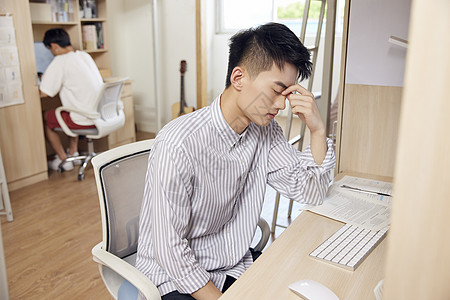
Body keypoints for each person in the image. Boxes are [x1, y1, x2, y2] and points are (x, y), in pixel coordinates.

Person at [136, 22, 336, 300]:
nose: (281, 105)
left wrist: (317, 129)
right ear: (238, 78)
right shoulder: (178, 143)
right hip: (174, 277)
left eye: (288, 94)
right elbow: (170, 249)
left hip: (232, 265)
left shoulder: (264, 132)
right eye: (277, 90)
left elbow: (309, 191)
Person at [39, 28, 103, 171]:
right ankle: (73, 153)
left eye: (49, 49)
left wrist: (44, 79)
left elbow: (44, 93)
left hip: (83, 118)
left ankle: (64, 160)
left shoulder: (60, 60)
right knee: (68, 111)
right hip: (99, 114)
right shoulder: (84, 55)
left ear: (54, 46)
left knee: (46, 117)